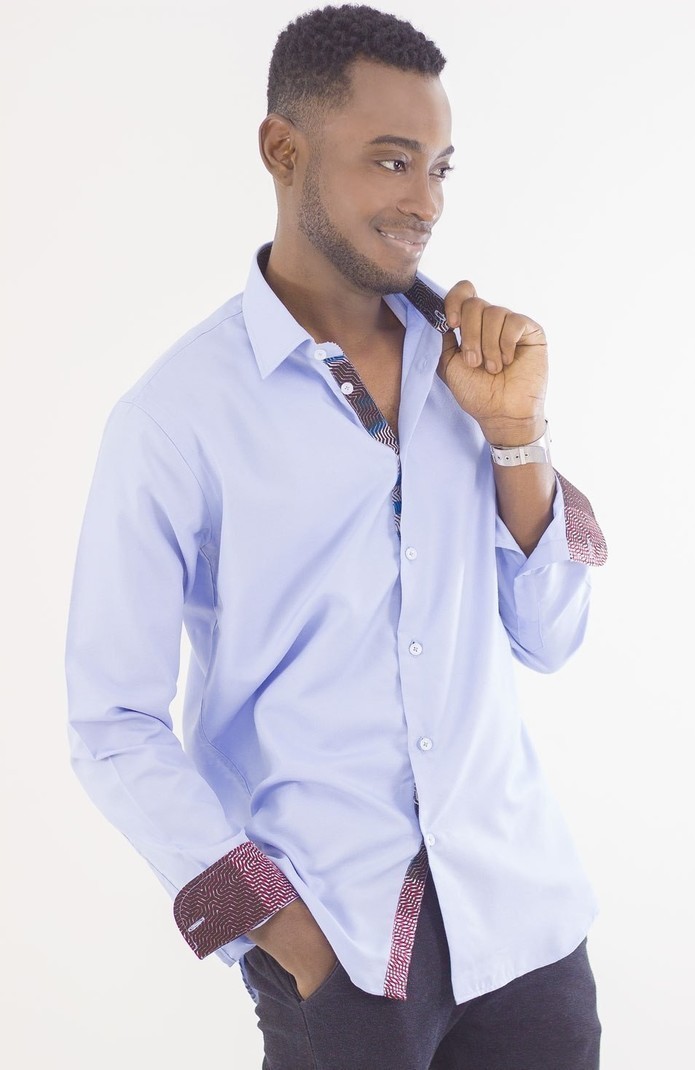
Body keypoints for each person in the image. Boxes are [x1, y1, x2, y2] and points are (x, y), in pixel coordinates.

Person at [65, 4, 607, 1067]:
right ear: (283, 150)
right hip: (345, 947)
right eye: (391, 162)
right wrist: (282, 932)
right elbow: (111, 718)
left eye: (439, 168)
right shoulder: (177, 416)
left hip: (525, 926)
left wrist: (515, 437)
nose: (426, 203)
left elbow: (549, 637)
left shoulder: (475, 368)